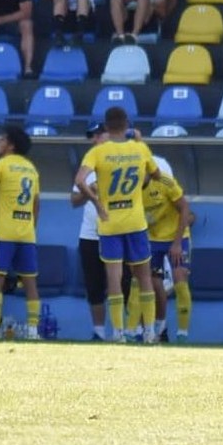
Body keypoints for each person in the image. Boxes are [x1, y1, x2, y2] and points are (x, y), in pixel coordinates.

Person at [75, 106, 160, 343]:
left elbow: (80, 181)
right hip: (135, 221)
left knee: (114, 278)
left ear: (106, 126)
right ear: (127, 124)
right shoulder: (139, 148)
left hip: (110, 223)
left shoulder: (98, 152)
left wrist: (97, 203)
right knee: (143, 277)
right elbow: (156, 175)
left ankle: (119, 333)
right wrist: (140, 182)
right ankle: (150, 332)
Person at [0, 126, 42, 340]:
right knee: (31, 283)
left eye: (3, 138)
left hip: (4, 233)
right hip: (26, 234)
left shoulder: (0, 165)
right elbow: (36, 204)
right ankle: (33, 331)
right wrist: (30, 229)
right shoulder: (31, 169)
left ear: (11, 145)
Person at [71, 124, 121, 341]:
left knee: (121, 283)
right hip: (90, 234)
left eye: (99, 135)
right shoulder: (88, 165)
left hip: (118, 231)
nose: (95, 140)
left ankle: (124, 330)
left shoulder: (122, 159)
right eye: (94, 137)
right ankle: (99, 331)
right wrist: (90, 191)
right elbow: (73, 200)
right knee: (94, 285)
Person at [142, 164, 194, 344]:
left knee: (180, 279)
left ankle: (182, 334)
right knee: (152, 285)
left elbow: (185, 209)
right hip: (152, 240)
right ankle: (158, 329)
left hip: (177, 238)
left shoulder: (164, 181)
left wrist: (178, 243)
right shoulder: (130, 188)